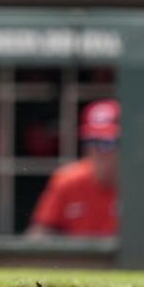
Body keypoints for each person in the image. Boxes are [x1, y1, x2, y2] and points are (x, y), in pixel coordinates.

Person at [28, 99, 120, 237]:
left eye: (107, 143)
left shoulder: (143, 183)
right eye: (91, 141)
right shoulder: (68, 180)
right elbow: (38, 237)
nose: (96, 151)